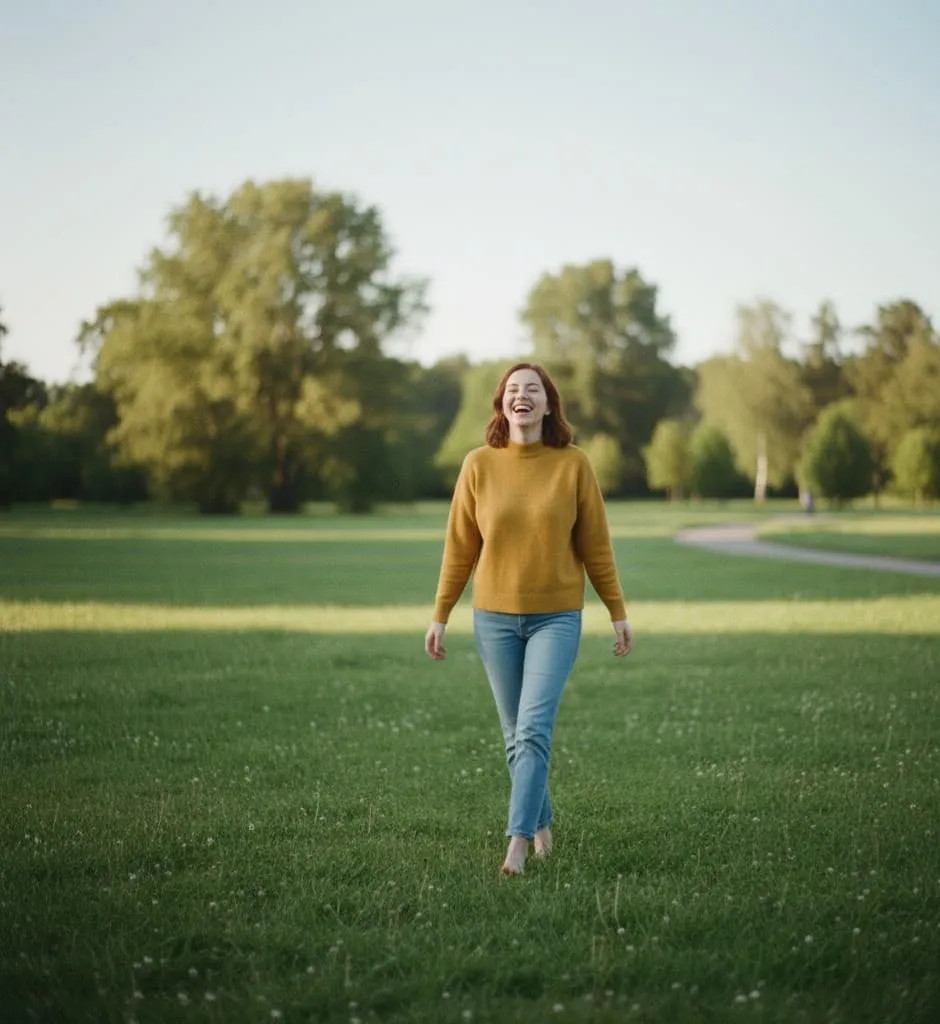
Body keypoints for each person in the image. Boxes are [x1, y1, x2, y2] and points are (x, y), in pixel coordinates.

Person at [424, 362, 632, 877]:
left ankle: (516, 846)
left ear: (547, 404)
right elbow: (459, 549)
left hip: (556, 618)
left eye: (532, 389)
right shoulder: (477, 465)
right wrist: (440, 615)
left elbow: (596, 547)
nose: (523, 396)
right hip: (494, 618)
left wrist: (617, 612)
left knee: (534, 728)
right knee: (515, 736)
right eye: (513, 389)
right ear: (501, 404)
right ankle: (542, 826)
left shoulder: (574, 465)